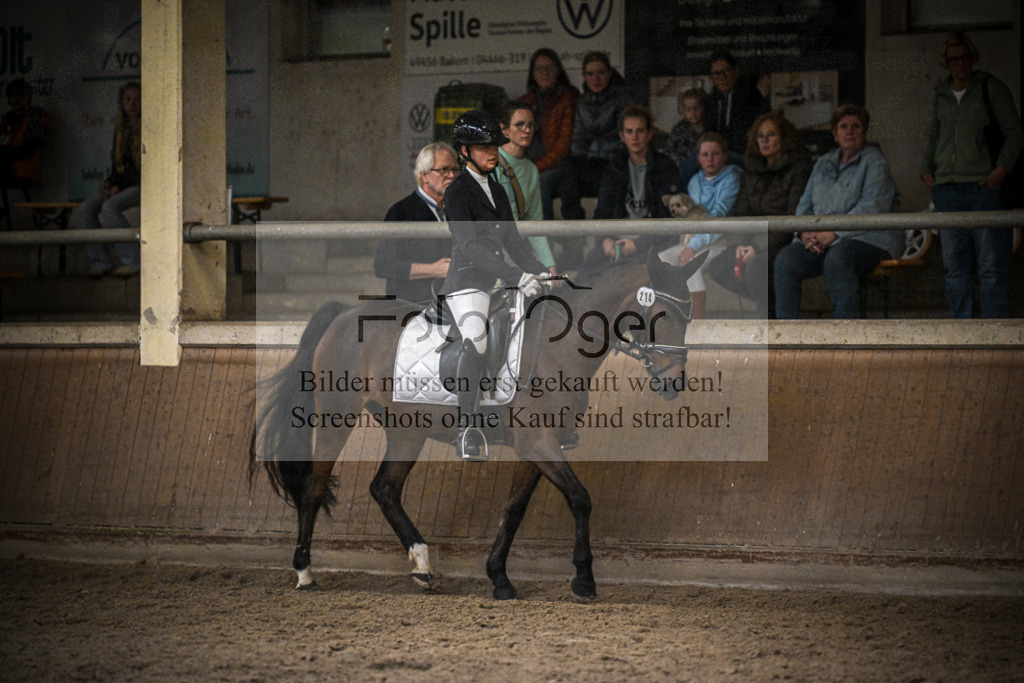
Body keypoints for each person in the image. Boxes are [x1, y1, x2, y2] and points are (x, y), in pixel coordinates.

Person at [440, 110, 550, 461]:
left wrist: (543, 272)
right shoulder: (457, 192)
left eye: (495, 146)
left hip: (499, 280)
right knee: (476, 340)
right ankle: (466, 429)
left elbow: (516, 243)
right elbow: (470, 246)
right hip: (468, 282)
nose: (493, 151)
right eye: (484, 146)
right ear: (465, 150)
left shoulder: (499, 191)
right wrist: (517, 276)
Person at [920, 31, 1024, 318]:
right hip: (948, 190)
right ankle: (962, 335)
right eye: (953, 58)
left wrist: (1000, 171)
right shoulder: (941, 93)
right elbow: (934, 138)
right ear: (946, 62)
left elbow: (1015, 134)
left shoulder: (992, 88)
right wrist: (926, 171)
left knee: (992, 266)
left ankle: (993, 335)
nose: (960, 63)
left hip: (984, 189)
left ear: (973, 56)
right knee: (956, 268)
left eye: (965, 56)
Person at [774, 104, 903, 319]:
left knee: (838, 258)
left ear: (864, 132)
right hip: (822, 239)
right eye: (843, 127)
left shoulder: (875, 162)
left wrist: (833, 234)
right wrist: (804, 233)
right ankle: (788, 339)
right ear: (835, 134)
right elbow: (804, 206)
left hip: (871, 238)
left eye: (856, 126)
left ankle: (845, 337)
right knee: (786, 260)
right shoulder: (823, 163)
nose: (849, 131)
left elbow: (872, 207)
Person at [706, 113, 812, 317]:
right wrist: (741, 244)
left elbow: (792, 219)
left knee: (756, 268)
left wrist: (757, 247)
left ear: (784, 138)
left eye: (770, 135)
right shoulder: (752, 169)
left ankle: (766, 317)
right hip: (751, 242)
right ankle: (769, 304)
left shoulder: (799, 169)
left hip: (783, 241)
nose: (764, 140)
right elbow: (742, 213)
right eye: (760, 135)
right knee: (719, 266)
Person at [576, 104, 680, 283]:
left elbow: (670, 221)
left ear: (649, 133)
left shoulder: (665, 167)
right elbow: (601, 213)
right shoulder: (614, 167)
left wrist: (639, 244)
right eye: (629, 131)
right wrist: (605, 240)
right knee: (582, 280)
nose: (635, 137)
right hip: (616, 242)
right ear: (622, 136)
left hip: (652, 244)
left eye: (640, 131)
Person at [558, 51, 631, 266]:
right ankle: (575, 243)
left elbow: (622, 138)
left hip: (613, 160)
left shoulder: (622, 98)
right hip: (589, 160)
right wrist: (583, 154)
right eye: (590, 74)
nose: (595, 78)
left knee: (614, 166)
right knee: (567, 166)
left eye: (600, 72)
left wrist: (597, 146)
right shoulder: (582, 101)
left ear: (609, 73)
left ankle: (602, 244)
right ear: (583, 76)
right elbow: (578, 137)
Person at [663, 132, 743, 319]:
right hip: (694, 241)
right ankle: (668, 320)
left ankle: (696, 325)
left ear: (724, 155)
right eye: (705, 154)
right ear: (698, 157)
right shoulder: (694, 181)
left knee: (692, 264)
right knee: (662, 260)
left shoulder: (731, 178)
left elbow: (717, 218)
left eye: (715, 154)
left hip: (719, 241)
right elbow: (689, 215)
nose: (710, 159)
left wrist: (693, 246)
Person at [70, 82, 142, 277]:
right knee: (86, 207)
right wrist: (109, 183)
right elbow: (118, 167)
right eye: (127, 99)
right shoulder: (120, 130)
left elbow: (143, 171)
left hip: (144, 185)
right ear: (122, 103)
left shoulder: (147, 128)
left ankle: (134, 262)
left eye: (137, 99)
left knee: (109, 207)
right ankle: (100, 262)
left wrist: (117, 188)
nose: (132, 104)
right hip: (123, 186)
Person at [374, 142, 456, 304]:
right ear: (424, 175)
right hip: (410, 306)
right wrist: (432, 270)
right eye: (443, 170)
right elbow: (383, 265)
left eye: (454, 169)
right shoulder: (400, 212)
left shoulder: (458, 209)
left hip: (451, 302)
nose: (452, 175)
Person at [496, 100, 557, 276]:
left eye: (530, 125)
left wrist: (549, 266)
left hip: (516, 248)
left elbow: (534, 222)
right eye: (519, 125)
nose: (527, 130)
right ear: (504, 129)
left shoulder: (531, 169)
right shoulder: (490, 162)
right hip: (495, 250)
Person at [519, 48, 578, 222]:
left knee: (541, 184)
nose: (544, 73)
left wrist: (534, 169)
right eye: (539, 68)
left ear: (558, 70)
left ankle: (544, 244)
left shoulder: (568, 97)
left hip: (556, 167)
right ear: (533, 73)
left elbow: (563, 147)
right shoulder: (525, 101)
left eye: (549, 68)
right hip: (527, 166)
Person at [706, 50, 770, 158]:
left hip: (746, 157)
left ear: (736, 71)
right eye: (716, 73)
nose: (722, 77)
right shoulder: (711, 101)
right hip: (719, 158)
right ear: (711, 78)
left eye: (726, 71)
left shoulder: (752, 96)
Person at [0, 79, 46, 228]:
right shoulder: (7, 119)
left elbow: (28, 150)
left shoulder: (35, 118)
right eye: (13, 96)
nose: (17, 99)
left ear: (28, 97)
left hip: (23, 171)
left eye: (21, 95)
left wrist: (4, 156)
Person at [662, 87, 707, 185]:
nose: (692, 113)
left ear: (703, 107)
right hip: (685, 171)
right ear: (683, 111)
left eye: (696, 108)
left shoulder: (709, 127)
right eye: (688, 109)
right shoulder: (679, 129)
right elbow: (669, 153)